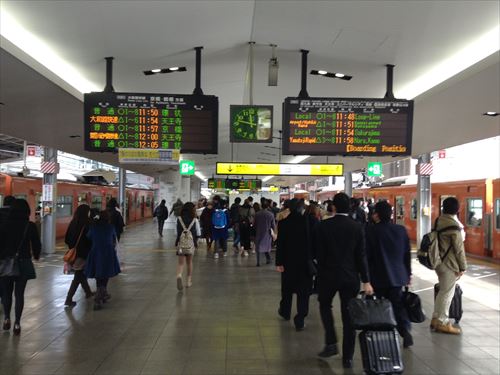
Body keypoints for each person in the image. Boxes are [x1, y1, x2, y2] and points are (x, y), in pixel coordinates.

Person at [315, 193, 373, 368]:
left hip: (328, 276)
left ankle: (331, 342)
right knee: (348, 316)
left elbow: (318, 252)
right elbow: (361, 256)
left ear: (333, 207)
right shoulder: (357, 227)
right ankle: (348, 357)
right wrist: (366, 280)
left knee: (325, 305)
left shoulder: (323, 226)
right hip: (350, 277)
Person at [365, 201, 413, 347]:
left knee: (380, 306)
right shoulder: (401, 230)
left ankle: (385, 334)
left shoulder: (371, 231)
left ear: (377, 215)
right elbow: (407, 254)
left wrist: (365, 278)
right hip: (398, 276)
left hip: (378, 276)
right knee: (397, 305)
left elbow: (367, 256)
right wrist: (408, 274)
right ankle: (405, 331)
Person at [0, 198, 41, 335]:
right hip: (23, 262)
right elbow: (36, 244)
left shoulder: (4, 225)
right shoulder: (30, 226)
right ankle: (17, 323)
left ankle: (6, 318)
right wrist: (36, 255)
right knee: (19, 294)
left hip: (6, 263)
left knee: (6, 293)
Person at [276, 199, 313, 331]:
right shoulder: (309, 222)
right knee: (303, 292)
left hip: (288, 262)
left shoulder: (283, 223)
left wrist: (279, 262)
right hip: (305, 263)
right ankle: (300, 319)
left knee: (287, 289)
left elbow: (280, 244)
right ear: (301, 208)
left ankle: (285, 312)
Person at [431, 197, 467, 334]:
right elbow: (459, 249)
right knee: (447, 293)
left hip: (438, 261)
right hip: (449, 264)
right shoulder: (453, 226)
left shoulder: (439, 220)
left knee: (442, 291)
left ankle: (436, 318)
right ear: (457, 210)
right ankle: (442, 322)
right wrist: (463, 267)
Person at [85, 210, 121, 310]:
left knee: (98, 274)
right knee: (106, 273)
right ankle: (100, 295)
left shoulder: (93, 227)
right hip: (108, 253)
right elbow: (114, 238)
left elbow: (89, 237)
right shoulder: (111, 227)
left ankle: (101, 293)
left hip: (95, 252)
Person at [64, 204, 94, 307]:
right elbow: (91, 239)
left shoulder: (73, 222)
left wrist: (73, 247)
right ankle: (68, 299)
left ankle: (88, 292)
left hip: (74, 253)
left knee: (81, 274)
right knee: (78, 276)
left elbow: (66, 239)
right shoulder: (88, 223)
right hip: (84, 254)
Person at [175, 202, 199, 290]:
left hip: (181, 244)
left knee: (181, 263)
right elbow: (197, 233)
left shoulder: (179, 219)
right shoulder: (194, 219)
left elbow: (177, 233)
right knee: (189, 262)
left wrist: (177, 242)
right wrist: (196, 243)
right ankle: (188, 281)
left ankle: (179, 275)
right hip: (190, 244)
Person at [254, 200, 276, 266]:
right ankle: (268, 259)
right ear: (267, 206)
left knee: (258, 247)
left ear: (261, 206)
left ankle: (258, 262)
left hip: (258, 232)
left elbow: (254, 224)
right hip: (267, 232)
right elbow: (273, 225)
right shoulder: (271, 214)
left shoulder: (257, 214)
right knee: (267, 246)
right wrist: (274, 233)